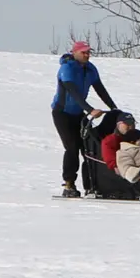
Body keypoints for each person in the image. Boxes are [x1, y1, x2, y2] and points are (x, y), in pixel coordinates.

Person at [51, 40, 116, 197]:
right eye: (84, 52)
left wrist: (114, 108)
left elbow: (100, 89)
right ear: (74, 53)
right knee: (72, 148)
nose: (87, 55)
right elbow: (72, 91)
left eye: (88, 52)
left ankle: (92, 185)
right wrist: (90, 109)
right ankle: (69, 184)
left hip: (79, 114)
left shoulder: (90, 69)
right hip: (63, 114)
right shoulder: (67, 68)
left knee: (89, 149)